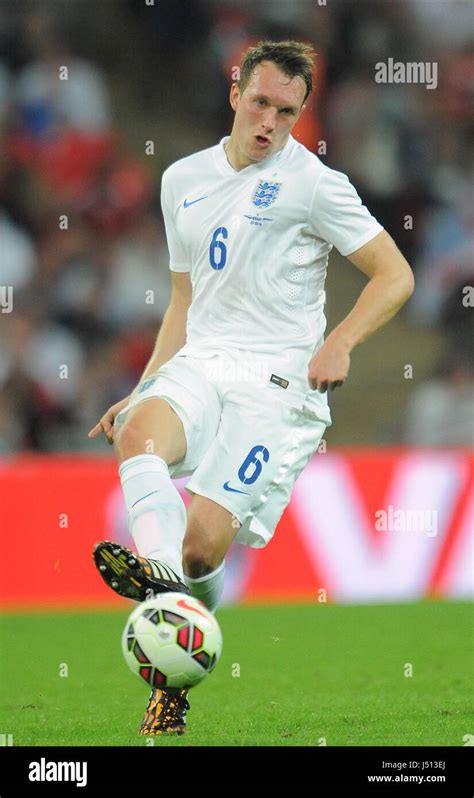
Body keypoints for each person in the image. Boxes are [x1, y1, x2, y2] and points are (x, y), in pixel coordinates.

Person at [88, 40, 414, 735]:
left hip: (276, 386)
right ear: (236, 92)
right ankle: (165, 599)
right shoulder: (182, 179)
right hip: (203, 359)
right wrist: (144, 385)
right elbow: (183, 299)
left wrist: (342, 340)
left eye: (287, 112)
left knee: (201, 549)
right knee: (139, 432)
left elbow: (395, 275)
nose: (270, 121)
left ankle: (167, 600)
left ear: (300, 116)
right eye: (261, 102)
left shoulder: (316, 184)